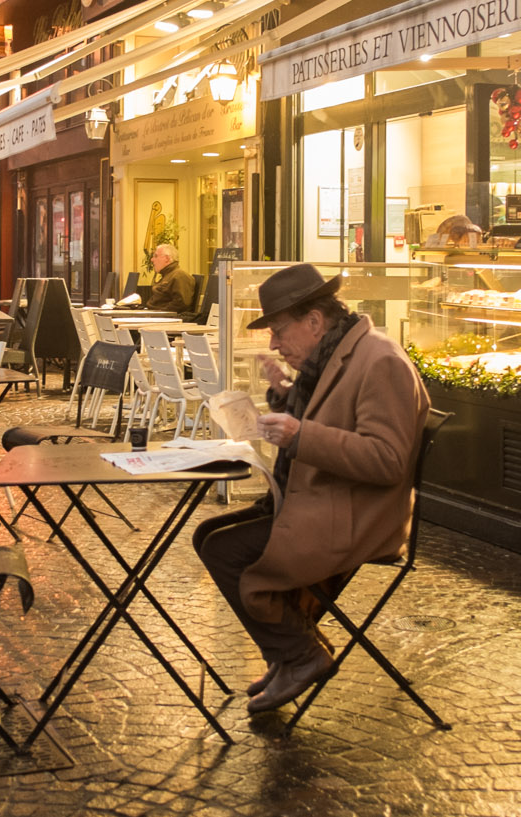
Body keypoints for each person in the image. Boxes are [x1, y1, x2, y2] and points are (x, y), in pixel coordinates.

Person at [189, 263, 430, 714]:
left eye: (279, 330)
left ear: (315, 321)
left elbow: (388, 460)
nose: (274, 343)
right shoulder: (336, 354)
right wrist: (284, 395)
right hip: (323, 500)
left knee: (227, 551)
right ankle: (288, 651)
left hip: (358, 515)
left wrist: (301, 435)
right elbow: (330, 415)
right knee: (208, 537)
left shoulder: (380, 361)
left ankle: (301, 655)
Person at [144, 243, 194, 314]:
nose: (152, 259)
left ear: (167, 259)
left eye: (156, 256)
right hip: (154, 315)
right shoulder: (168, 275)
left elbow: (181, 304)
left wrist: (159, 314)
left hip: (163, 319)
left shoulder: (179, 275)